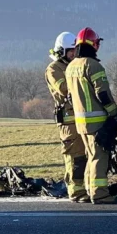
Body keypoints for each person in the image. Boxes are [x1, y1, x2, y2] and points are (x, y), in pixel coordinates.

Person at [66, 27, 117, 204]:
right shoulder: (93, 65)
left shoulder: (70, 67)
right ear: (94, 44)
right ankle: (100, 194)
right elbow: (103, 93)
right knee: (99, 156)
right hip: (97, 121)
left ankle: (90, 190)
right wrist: (115, 113)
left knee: (90, 156)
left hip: (80, 122)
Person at [45, 31, 88, 202]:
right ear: (61, 51)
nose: (74, 54)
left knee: (86, 157)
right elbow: (65, 89)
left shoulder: (73, 65)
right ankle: (76, 191)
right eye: (71, 51)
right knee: (75, 157)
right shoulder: (53, 69)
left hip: (83, 118)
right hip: (69, 123)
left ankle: (86, 188)